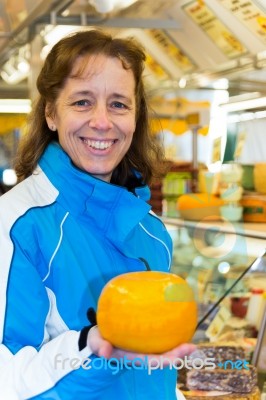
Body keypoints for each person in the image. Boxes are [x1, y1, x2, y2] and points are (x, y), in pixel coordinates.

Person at [0, 29, 196, 399]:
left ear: (136, 119)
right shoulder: (16, 224)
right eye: (82, 102)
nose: (103, 122)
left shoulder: (152, 230)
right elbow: (7, 379)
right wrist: (94, 346)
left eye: (119, 104)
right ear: (51, 114)